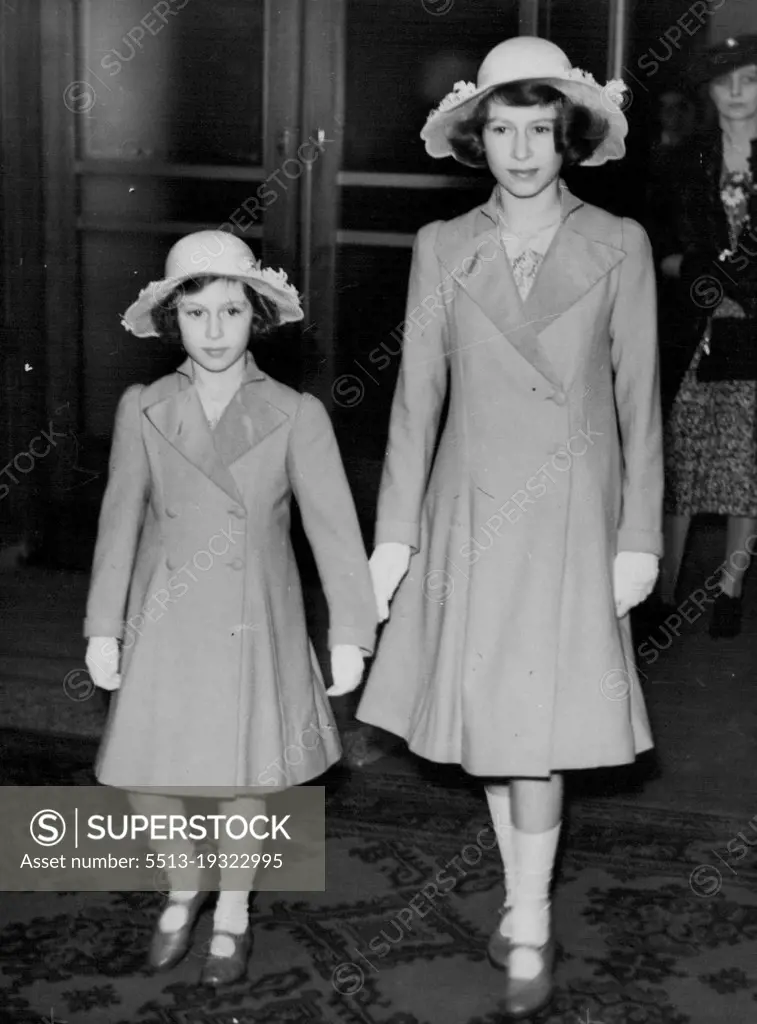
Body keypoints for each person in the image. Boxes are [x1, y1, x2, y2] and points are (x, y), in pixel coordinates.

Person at [340, 37, 662, 1019]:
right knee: (495, 724)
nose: (520, 151)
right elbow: (415, 399)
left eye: (538, 129)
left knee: (533, 735)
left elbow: (639, 400)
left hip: (570, 520)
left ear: (568, 136)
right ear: (477, 137)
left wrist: (638, 534)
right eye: (501, 129)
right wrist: (392, 536)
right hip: (472, 511)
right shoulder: (443, 245)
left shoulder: (618, 244)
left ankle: (527, 919)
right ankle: (526, 901)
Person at [83, 231, 377, 985]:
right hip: (165, 615)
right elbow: (119, 521)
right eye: (195, 313)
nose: (213, 332)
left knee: (247, 773)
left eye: (230, 311)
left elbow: (334, 530)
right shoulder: (144, 407)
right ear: (171, 322)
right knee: (150, 770)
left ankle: (236, 911)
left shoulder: (294, 412)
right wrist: (103, 626)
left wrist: (351, 630)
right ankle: (184, 888)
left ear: (257, 319)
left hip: (256, 617)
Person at [657, 35, 757, 638]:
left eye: (750, 80)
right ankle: (663, 593)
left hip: (755, 329)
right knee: (682, 462)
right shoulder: (682, 159)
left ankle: (730, 590)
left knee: (746, 464)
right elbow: (659, 247)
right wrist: (702, 276)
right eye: (726, 83)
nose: (738, 94)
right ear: (709, 91)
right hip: (698, 329)